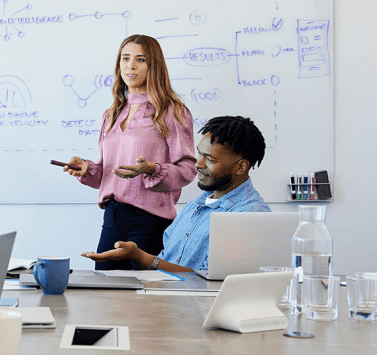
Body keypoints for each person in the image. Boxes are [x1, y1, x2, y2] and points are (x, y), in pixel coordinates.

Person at [64, 34, 197, 270]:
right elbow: (108, 172)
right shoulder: (112, 113)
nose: (130, 66)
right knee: (106, 296)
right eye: (125, 58)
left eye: (140, 59)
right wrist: (87, 168)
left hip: (149, 220)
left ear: (153, 65)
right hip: (113, 217)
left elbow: (187, 170)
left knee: (144, 300)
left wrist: (153, 169)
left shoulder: (172, 111)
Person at [82, 115, 270, 273]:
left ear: (241, 167)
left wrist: (142, 258)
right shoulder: (198, 204)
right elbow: (170, 259)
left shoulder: (249, 215)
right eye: (200, 154)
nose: (198, 164)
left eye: (210, 159)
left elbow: (213, 281)